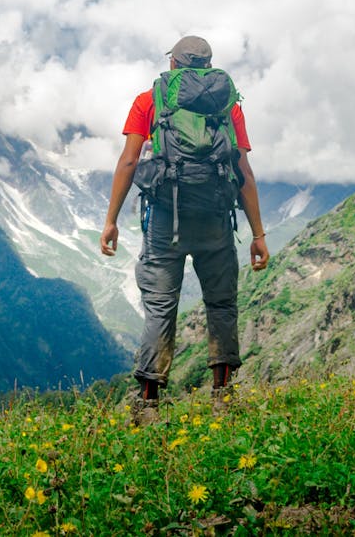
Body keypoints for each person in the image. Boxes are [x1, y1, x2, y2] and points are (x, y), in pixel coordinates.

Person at [99, 35, 269, 423]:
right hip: (215, 219)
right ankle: (223, 397)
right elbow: (243, 172)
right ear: (208, 67)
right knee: (222, 305)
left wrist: (111, 221)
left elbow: (128, 163)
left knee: (160, 306)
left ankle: (148, 403)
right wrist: (257, 234)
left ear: (173, 64)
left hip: (164, 220)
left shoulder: (150, 100)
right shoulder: (228, 108)